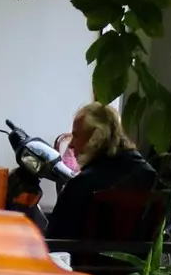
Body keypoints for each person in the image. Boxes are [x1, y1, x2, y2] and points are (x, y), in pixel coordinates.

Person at [44, 102, 157, 241]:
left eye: (76, 135)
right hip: (140, 263)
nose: (71, 144)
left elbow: (54, 241)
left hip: (82, 263)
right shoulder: (152, 179)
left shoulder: (81, 185)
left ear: (96, 137)